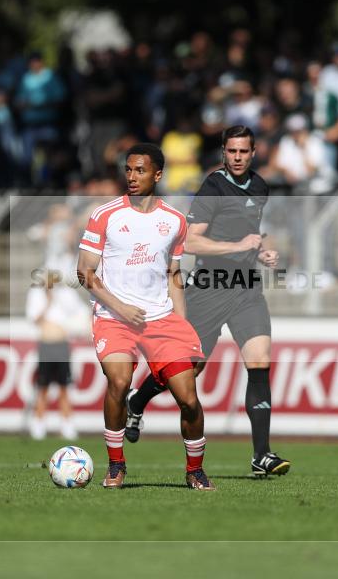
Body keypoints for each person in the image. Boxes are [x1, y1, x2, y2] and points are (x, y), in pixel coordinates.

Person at [124, 126, 290, 477]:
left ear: (254, 152)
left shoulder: (260, 186)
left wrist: (262, 251)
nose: (238, 158)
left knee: (259, 362)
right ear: (223, 153)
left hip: (246, 288)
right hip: (209, 289)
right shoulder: (212, 187)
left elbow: (248, 236)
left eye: (244, 152)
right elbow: (191, 243)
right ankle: (137, 401)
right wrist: (240, 247)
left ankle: (262, 455)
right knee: (187, 369)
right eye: (232, 152)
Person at [75, 143, 212, 490]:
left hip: (161, 318)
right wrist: (120, 307)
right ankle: (116, 465)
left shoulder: (175, 221)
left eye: (140, 171)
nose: (132, 177)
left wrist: (182, 322)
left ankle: (194, 470)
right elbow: (84, 272)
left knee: (189, 400)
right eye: (129, 170)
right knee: (119, 382)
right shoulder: (105, 214)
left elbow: (173, 275)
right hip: (114, 316)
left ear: (158, 174)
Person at [25, 269, 90, 440]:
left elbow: (80, 313)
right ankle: (38, 424)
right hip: (46, 345)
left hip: (62, 345)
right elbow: (34, 318)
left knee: (64, 386)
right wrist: (47, 301)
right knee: (43, 387)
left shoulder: (66, 294)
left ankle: (67, 424)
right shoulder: (36, 295)